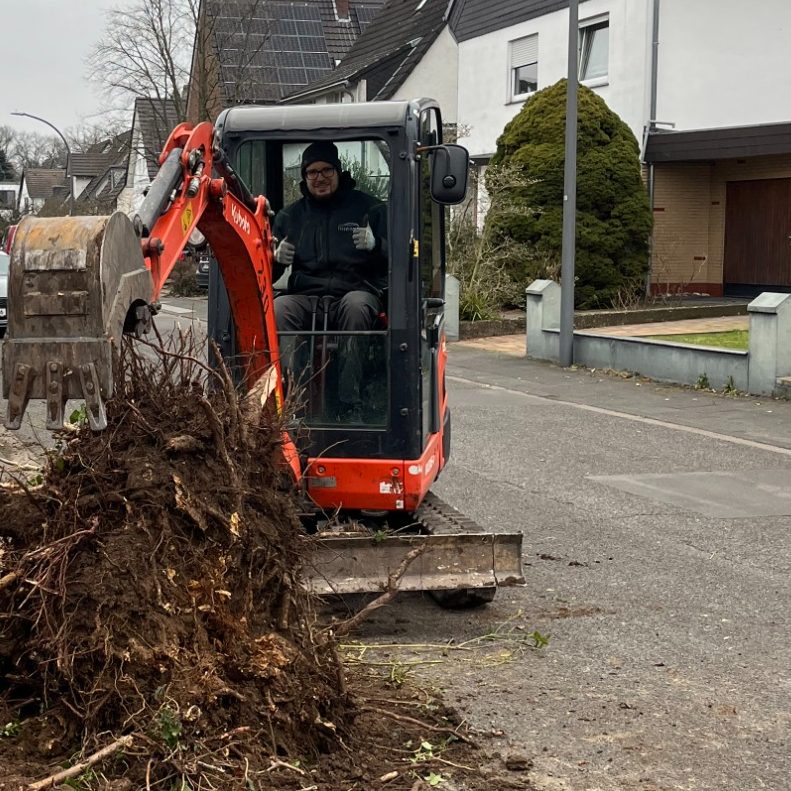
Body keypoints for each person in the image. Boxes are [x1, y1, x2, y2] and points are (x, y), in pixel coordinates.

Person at [272, 141, 387, 415]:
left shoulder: (369, 209)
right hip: (307, 297)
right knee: (279, 309)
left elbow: (401, 257)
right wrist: (275, 259)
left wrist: (376, 245)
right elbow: (267, 274)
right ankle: (290, 401)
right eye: (312, 172)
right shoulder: (290, 217)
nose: (319, 177)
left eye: (326, 170)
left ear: (338, 172)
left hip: (355, 291)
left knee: (357, 306)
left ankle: (350, 402)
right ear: (304, 176)